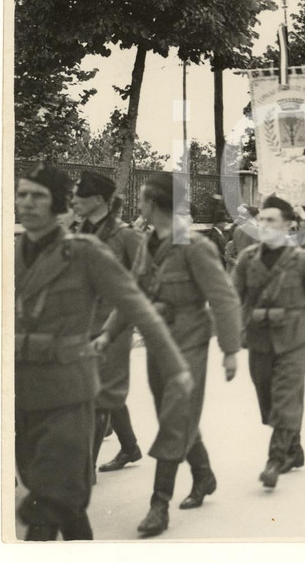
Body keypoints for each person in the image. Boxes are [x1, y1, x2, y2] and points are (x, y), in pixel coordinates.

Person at [15, 163, 189, 541]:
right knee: (54, 493)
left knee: (47, 498)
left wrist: (175, 366)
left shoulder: (91, 247)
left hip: (75, 370)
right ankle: (110, 461)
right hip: (22, 386)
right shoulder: (13, 252)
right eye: (22, 194)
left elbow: (138, 293)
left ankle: (89, 468)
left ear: (59, 203)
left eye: (38, 196)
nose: (26, 203)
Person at [97, 172, 241, 537]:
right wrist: (107, 334)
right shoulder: (147, 245)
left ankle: (159, 504)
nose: (139, 205)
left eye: (144, 199)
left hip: (189, 344)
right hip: (159, 344)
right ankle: (204, 474)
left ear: (156, 203)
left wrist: (229, 351)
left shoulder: (195, 246)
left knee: (174, 417)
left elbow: (223, 299)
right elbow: (133, 296)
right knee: (175, 414)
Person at [232, 196, 305, 489]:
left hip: (293, 338)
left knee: (285, 398)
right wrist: (231, 337)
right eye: (261, 220)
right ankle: (295, 448)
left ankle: (275, 460)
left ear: (289, 225)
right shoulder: (247, 259)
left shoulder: (303, 260)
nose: (264, 225)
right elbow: (233, 299)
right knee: (267, 400)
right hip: (258, 339)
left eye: (271, 220)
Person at [70, 170, 146, 472]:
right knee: (97, 389)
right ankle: (129, 448)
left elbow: (144, 279)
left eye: (79, 195)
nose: (73, 201)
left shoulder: (126, 235)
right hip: (82, 324)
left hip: (115, 325)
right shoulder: (78, 232)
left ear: (98, 200)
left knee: (101, 392)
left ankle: (84, 469)